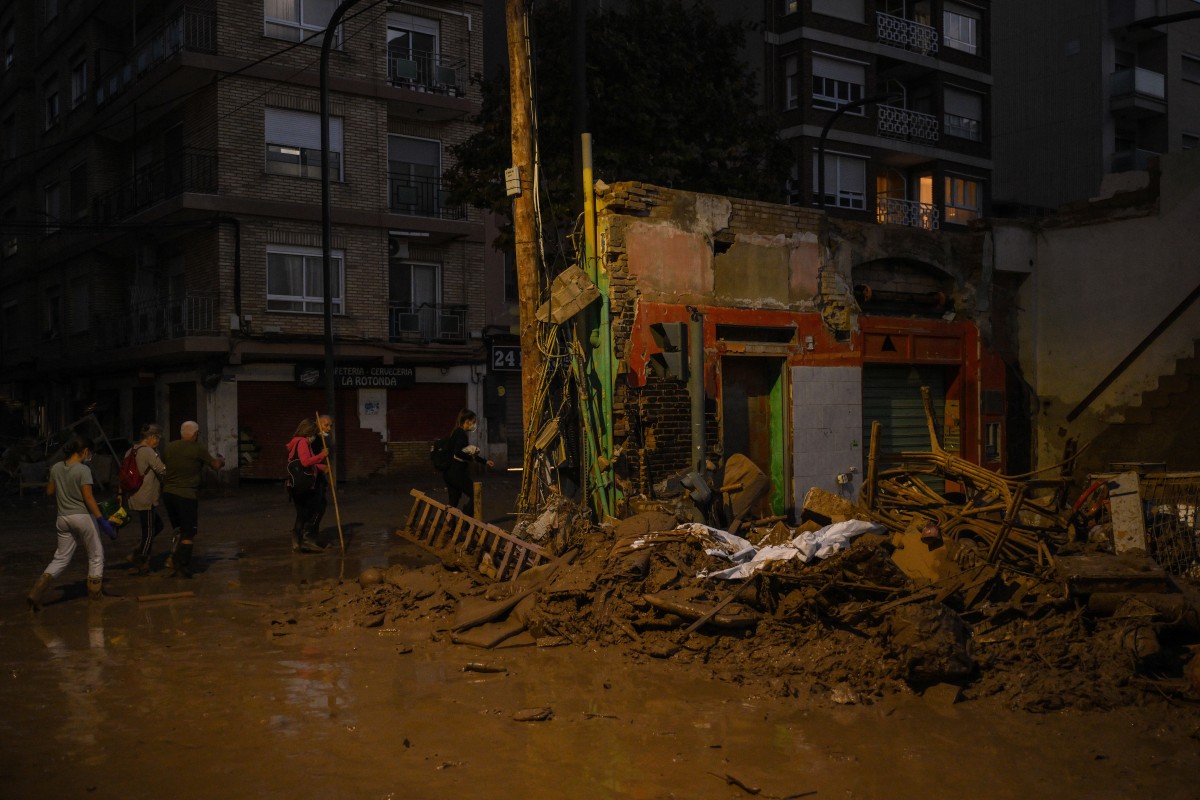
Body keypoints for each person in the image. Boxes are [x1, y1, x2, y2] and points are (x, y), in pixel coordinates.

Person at [27, 436, 117, 610]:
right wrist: (101, 519)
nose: (89, 455)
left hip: (62, 518)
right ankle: (95, 595)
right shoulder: (83, 470)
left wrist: (65, 491)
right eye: (89, 452)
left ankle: (37, 591)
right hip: (82, 517)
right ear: (84, 451)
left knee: (60, 557)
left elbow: (49, 491)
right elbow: (88, 498)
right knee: (96, 554)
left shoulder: (56, 467)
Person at [161, 421, 225, 578]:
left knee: (178, 529)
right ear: (195, 434)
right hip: (186, 496)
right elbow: (215, 466)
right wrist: (221, 461)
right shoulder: (197, 448)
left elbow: (162, 465)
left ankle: (172, 558)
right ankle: (182, 566)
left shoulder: (169, 447)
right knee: (189, 533)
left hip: (168, 494)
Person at [124, 423, 168, 575]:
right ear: (149, 437)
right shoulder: (149, 452)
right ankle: (141, 561)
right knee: (149, 531)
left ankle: (139, 549)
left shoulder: (131, 450)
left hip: (134, 495)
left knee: (157, 525)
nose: (158, 441)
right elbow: (162, 469)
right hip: (146, 496)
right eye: (156, 438)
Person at [285, 417, 329, 553]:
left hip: (296, 484)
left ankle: (297, 543)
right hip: (304, 485)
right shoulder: (303, 442)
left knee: (302, 513)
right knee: (314, 508)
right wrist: (321, 455)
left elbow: (304, 462)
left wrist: (321, 467)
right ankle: (306, 538)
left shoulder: (296, 443)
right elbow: (305, 462)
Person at [443, 409, 494, 518]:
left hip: (449, 473)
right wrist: (470, 457)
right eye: (473, 421)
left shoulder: (456, 432)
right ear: (467, 421)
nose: (474, 424)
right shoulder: (461, 434)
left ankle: (447, 526)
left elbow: (465, 452)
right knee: (475, 495)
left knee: (453, 502)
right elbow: (459, 452)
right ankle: (465, 521)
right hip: (457, 473)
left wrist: (484, 461)